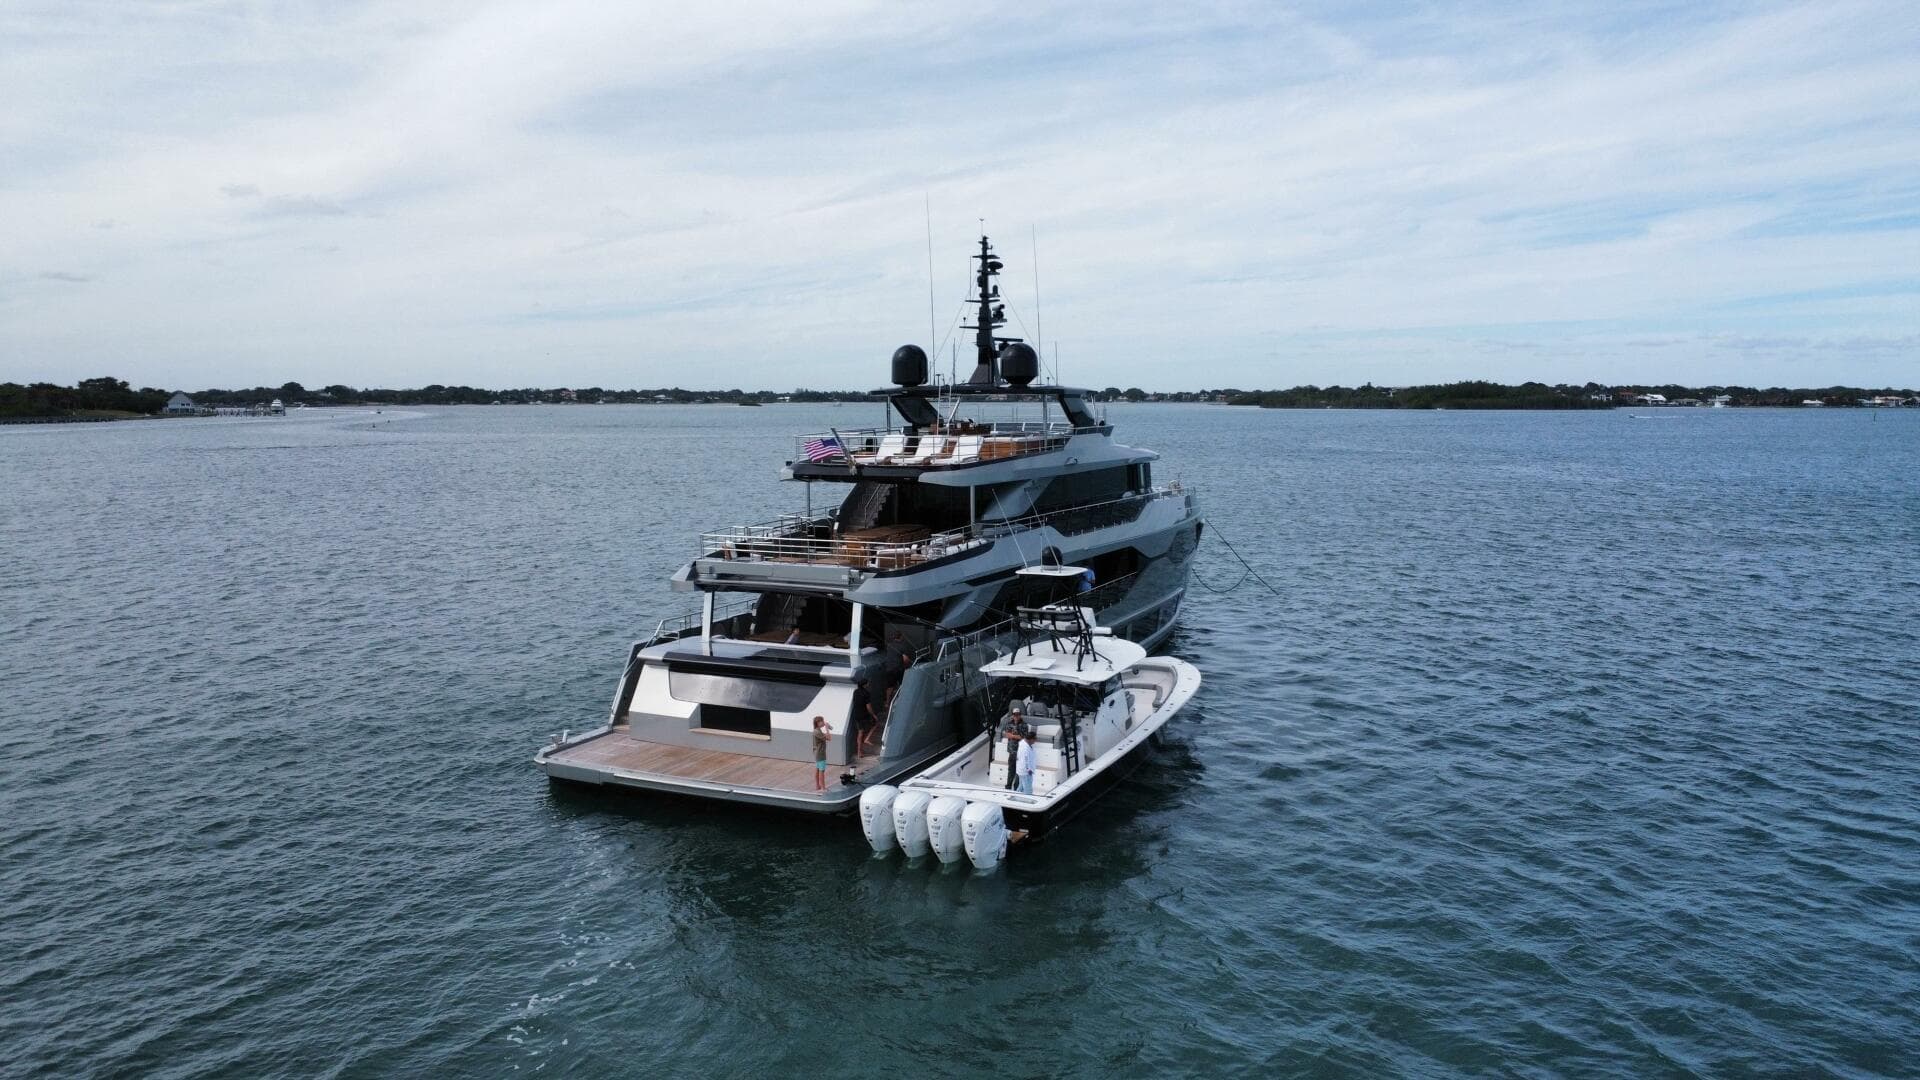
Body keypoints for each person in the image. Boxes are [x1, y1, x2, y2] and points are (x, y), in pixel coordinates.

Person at [1000, 706, 1031, 789]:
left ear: (1020, 715)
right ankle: (1008, 786)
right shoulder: (1009, 723)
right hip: (1011, 751)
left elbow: (1023, 737)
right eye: (1014, 714)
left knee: (1018, 771)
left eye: (1018, 714)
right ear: (1012, 715)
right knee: (1011, 770)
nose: (1016, 716)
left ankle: (1016, 787)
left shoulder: (1024, 725)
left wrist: (1013, 735)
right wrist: (1016, 736)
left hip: (1020, 752)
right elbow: (1007, 734)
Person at [851, 677, 880, 756]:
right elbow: (868, 707)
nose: (868, 684)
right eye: (867, 683)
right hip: (864, 715)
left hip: (856, 714)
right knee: (876, 723)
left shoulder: (855, 692)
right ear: (865, 685)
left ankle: (859, 752)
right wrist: (874, 715)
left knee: (860, 733)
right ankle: (867, 739)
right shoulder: (866, 693)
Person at [811, 716, 831, 791]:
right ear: (818, 723)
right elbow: (829, 738)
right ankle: (823, 788)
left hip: (817, 753)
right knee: (821, 771)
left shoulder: (817, 731)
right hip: (820, 753)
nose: (823, 722)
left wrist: (825, 733)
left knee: (818, 769)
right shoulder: (817, 732)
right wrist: (827, 729)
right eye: (822, 721)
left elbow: (824, 737)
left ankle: (817, 786)